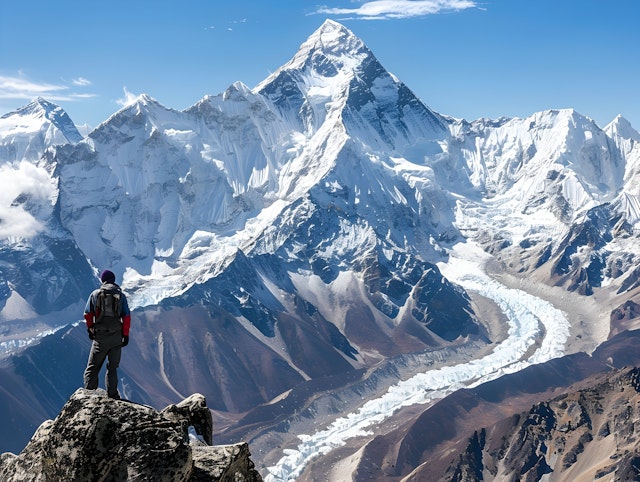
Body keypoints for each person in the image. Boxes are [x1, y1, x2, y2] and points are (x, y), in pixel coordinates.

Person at [83, 269, 131, 399]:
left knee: (93, 367)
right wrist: (125, 335)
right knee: (112, 367)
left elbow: (87, 314)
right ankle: (113, 394)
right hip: (116, 336)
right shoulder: (121, 296)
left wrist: (90, 329)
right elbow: (126, 317)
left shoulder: (95, 294)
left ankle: (89, 394)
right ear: (113, 280)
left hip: (101, 336)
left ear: (102, 280)